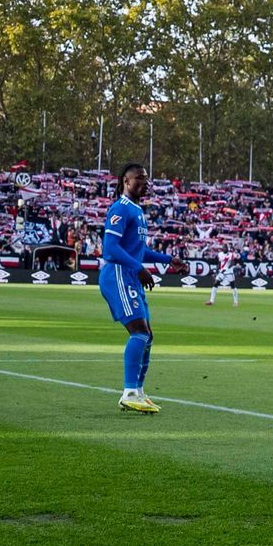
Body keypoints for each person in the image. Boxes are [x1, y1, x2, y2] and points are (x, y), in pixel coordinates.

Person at [101, 163, 173, 414]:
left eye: (146, 178)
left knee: (147, 336)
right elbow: (110, 248)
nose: (145, 182)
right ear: (126, 181)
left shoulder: (137, 210)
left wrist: (168, 260)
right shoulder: (121, 208)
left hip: (130, 275)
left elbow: (139, 250)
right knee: (140, 333)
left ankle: (139, 392)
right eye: (139, 178)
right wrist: (139, 268)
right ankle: (129, 392)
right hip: (118, 275)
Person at [205, 240, 240, 308]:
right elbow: (219, 263)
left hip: (229, 272)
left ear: (227, 248)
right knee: (215, 284)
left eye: (225, 247)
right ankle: (211, 301)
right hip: (222, 271)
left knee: (232, 286)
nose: (224, 248)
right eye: (223, 247)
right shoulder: (220, 254)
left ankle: (236, 302)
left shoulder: (230, 254)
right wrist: (217, 270)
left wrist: (226, 269)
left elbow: (232, 263)